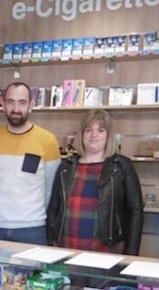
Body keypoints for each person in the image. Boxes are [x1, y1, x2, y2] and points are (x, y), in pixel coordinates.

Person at [46, 109, 143, 255]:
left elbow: (135, 211)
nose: (94, 135)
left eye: (100, 130)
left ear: (108, 135)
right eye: (88, 130)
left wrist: (131, 254)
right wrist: (51, 242)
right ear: (81, 134)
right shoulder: (66, 167)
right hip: (66, 247)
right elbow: (54, 209)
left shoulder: (121, 167)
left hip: (107, 250)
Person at [0, 82, 61, 245]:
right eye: (10, 102)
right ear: (3, 105)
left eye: (22, 102)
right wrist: (1, 209)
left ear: (31, 106)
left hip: (32, 228)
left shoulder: (48, 140)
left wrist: (30, 214)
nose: (16, 109)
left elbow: (51, 188)